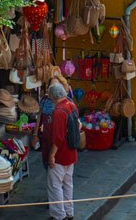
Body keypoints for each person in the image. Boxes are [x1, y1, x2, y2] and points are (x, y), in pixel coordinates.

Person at [42, 81, 78, 220]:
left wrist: (51, 155)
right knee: (68, 184)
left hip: (61, 155)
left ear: (53, 96)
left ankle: (59, 216)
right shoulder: (72, 106)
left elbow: (58, 137)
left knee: (55, 185)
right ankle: (69, 212)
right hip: (71, 153)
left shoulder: (59, 112)